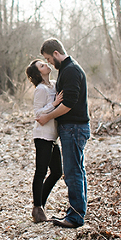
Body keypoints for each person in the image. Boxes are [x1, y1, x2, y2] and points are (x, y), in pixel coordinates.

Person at [35, 38, 90, 229]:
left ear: (56, 54)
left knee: (73, 172)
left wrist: (48, 117)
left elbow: (68, 104)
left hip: (74, 128)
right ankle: (77, 212)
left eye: (49, 59)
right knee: (77, 170)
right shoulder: (67, 70)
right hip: (73, 128)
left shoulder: (71, 70)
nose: (49, 63)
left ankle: (75, 217)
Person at [25, 59, 63, 223]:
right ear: (38, 73)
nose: (46, 65)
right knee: (41, 171)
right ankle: (37, 207)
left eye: (45, 63)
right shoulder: (40, 89)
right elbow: (38, 114)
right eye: (42, 66)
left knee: (56, 172)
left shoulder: (54, 84)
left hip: (52, 136)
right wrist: (53, 104)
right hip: (42, 136)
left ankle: (40, 205)